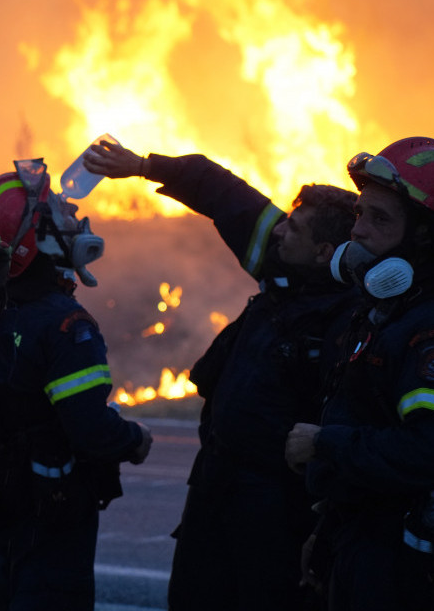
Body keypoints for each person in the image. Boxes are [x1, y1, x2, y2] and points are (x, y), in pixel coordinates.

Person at [82, 139, 358, 611]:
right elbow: (221, 189)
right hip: (215, 485)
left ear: (323, 252)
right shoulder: (281, 264)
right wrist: (144, 166)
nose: (280, 232)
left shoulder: (349, 321)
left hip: (278, 507)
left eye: (295, 229)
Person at [284, 136, 434, 611]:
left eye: (380, 218)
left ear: (422, 235)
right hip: (364, 545)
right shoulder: (386, 314)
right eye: (361, 213)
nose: (358, 231)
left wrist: (323, 443)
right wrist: (327, 534)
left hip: (407, 569)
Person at [0, 158, 153, 611]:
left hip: (4, 505)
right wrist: (135, 439)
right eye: (62, 213)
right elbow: (89, 429)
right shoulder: (65, 326)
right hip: (54, 512)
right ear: (36, 241)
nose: (76, 220)